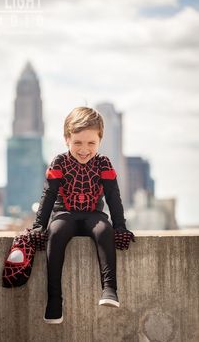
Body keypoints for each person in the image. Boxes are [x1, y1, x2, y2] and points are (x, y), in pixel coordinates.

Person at [32, 106, 135, 324]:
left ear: (100, 140)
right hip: (64, 213)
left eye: (91, 143)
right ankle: (54, 300)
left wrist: (120, 227)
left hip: (93, 215)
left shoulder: (104, 163)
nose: (84, 149)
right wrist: (38, 226)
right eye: (77, 142)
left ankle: (109, 289)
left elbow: (113, 198)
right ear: (66, 139)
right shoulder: (59, 162)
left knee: (104, 230)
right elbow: (48, 195)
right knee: (56, 233)